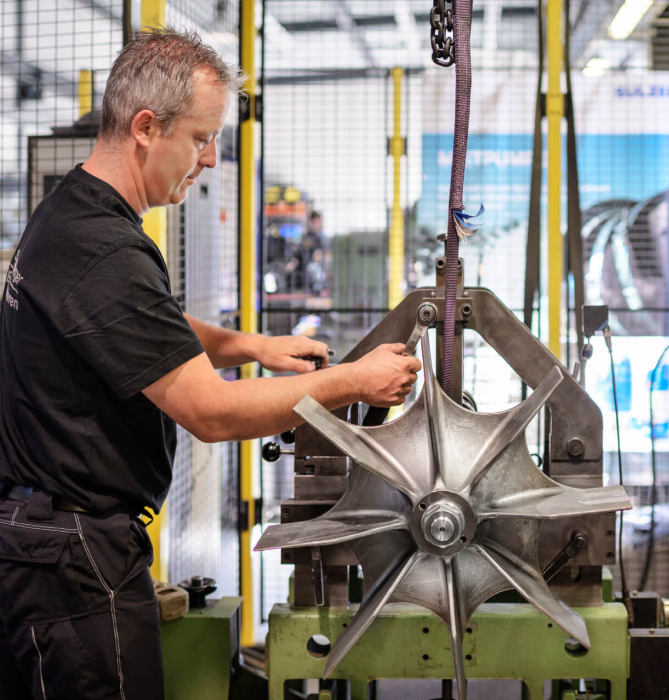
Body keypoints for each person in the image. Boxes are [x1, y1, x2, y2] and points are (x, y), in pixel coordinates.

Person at [0, 28, 420, 700]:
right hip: (74, 561)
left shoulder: (75, 210)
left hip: (50, 542)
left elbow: (135, 325)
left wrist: (246, 345)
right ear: (146, 127)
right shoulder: (102, 246)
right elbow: (211, 413)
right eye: (201, 138)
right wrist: (352, 381)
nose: (212, 158)